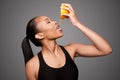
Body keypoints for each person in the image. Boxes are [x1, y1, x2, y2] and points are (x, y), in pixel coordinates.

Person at [21, 3, 112, 80]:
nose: (55, 22)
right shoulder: (32, 65)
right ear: (40, 35)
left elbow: (106, 50)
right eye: (48, 22)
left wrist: (77, 23)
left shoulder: (72, 49)